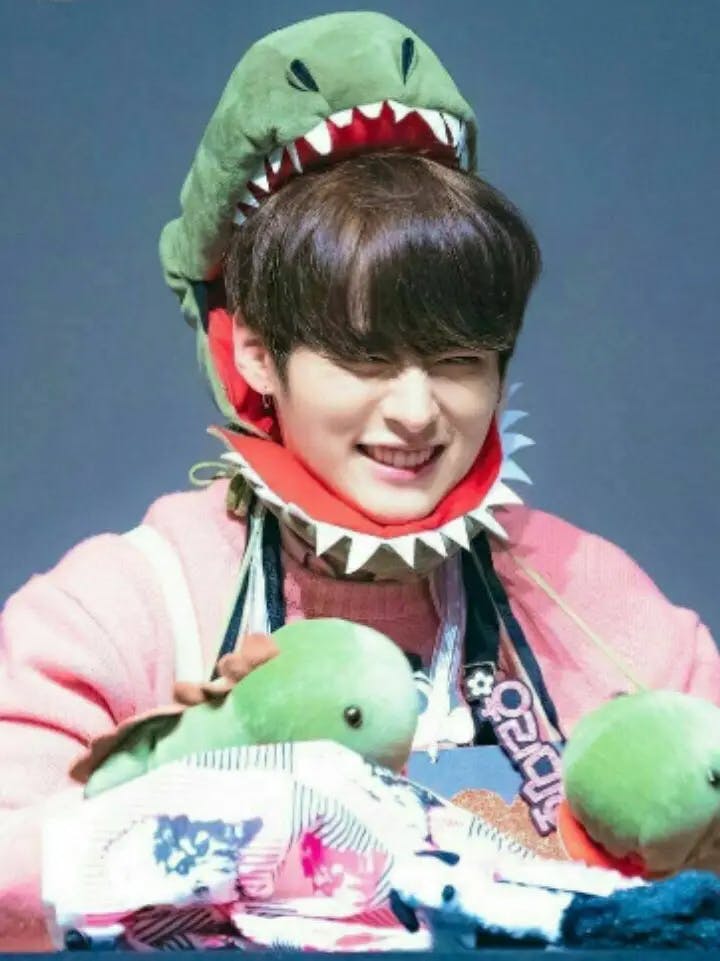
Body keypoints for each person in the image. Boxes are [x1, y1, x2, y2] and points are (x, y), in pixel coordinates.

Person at [1, 10, 718, 951]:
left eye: (458, 360)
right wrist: (198, 779)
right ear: (256, 351)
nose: (417, 411)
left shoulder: (585, 592)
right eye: (364, 357)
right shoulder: (127, 600)